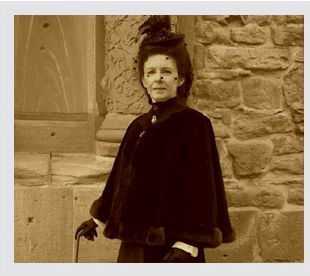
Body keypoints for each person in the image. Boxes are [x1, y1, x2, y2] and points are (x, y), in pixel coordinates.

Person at [74, 15, 234, 263]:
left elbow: (203, 188)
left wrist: (188, 243)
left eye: (166, 71)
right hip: (133, 247)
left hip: (173, 248)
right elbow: (120, 179)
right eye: (151, 72)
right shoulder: (137, 126)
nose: (158, 77)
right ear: (144, 81)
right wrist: (97, 219)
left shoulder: (194, 124)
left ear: (179, 79)